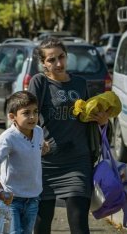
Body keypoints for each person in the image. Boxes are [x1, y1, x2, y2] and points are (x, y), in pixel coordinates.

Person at [27, 37, 110, 234]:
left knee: (79, 224)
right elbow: (28, 119)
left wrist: (102, 121)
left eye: (62, 57)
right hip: (45, 163)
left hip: (78, 162)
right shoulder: (39, 82)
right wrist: (38, 142)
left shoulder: (80, 83)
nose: (58, 63)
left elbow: (89, 118)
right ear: (43, 63)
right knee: (41, 225)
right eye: (51, 59)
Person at [0, 91, 45, 234]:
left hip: (33, 198)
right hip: (10, 200)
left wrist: (44, 148)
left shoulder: (38, 131)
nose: (33, 117)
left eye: (35, 112)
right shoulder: (7, 138)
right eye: (26, 113)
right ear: (12, 117)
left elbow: (35, 151)